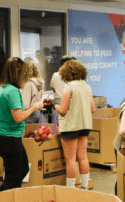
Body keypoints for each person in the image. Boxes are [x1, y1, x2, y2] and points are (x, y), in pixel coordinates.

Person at [0, 57, 44, 191]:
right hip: (10, 138)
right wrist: (35, 107)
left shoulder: (3, 89)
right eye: (24, 73)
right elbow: (19, 117)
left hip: (6, 136)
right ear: (18, 73)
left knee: (23, 169)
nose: (25, 76)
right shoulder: (12, 91)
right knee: (14, 179)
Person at [54, 60, 96, 190]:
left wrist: (54, 105)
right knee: (83, 157)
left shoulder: (68, 88)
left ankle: (70, 190)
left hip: (71, 127)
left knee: (70, 160)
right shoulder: (87, 87)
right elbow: (93, 109)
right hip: (85, 125)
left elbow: (63, 110)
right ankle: (84, 187)